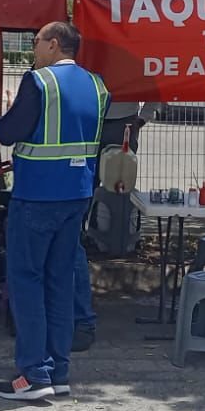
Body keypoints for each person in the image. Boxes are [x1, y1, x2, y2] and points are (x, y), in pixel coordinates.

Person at [0, 20, 108, 401]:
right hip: (77, 197)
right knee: (60, 282)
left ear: (54, 44)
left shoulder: (39, 82)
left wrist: (5, 112)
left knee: (27, 282)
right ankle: (59, 372)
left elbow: (8, 132)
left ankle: (33, 375)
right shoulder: (97, 86)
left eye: (36, 41)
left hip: (37, 196)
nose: (34, 48)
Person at [72, 98, 163, 352]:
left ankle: (116, 241)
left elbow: (155, 85)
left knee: (119, 188)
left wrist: (142, 118)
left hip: (123, 121)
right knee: (83, 188)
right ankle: (83, 235)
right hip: (92, 119)